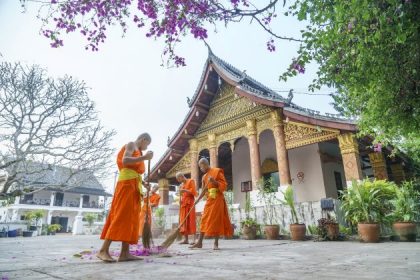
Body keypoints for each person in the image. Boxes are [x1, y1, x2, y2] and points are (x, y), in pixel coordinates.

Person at [97, 133, 153, 262]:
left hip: (134, 184)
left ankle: (125, 253)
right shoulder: (131, 144)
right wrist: (144, 157)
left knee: (130, 218)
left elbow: (136, 172)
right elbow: (125, 160)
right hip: (126, 184)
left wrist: (144, 183)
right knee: (121, 215)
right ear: (143, 140)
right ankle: (103, 250)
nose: (145, 148)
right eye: (146, 144)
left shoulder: (139, 152)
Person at [190, 158, 233, 250]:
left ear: (205, 164)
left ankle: (216, 244)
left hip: (218, 198)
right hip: (210, 199)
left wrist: (215, 182)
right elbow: (204, 190)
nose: (200, 168)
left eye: (201, 166)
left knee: (216, 220)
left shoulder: (217, 172)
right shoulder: (204, 177)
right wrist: (197, 200)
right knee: (204, 219)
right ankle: (199, 242)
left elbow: (225, 185)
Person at [176, 172, 197, 245]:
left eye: (178, 179)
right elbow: (182, 195)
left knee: (191, 219)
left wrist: (185, 190)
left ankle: (194, 239)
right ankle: (186, 239)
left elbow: (194, 192)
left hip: (190, 202)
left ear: (181, 176)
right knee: (184, 221)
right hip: (183, 203)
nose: (178, 181)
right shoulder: (182, 185)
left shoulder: (191, 181)